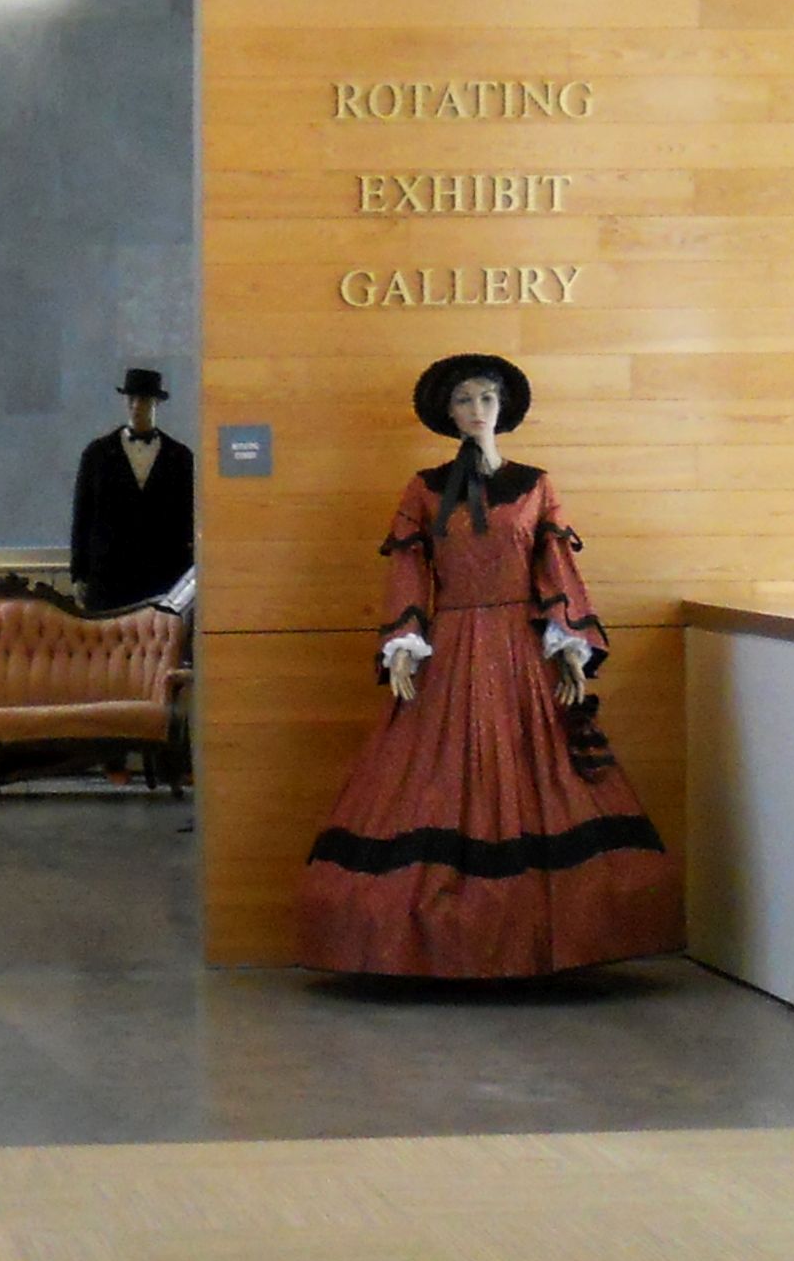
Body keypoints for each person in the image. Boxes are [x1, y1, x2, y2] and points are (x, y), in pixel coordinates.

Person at [293, 352, 684, 977]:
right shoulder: (423, 489)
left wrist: (568, 645)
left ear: (502, 409)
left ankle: (549, 941)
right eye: (465, 401)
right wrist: (402, 644)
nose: (477, 411)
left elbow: (554, 568)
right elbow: (408, 571)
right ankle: (432, 943)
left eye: (486, 400)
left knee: (537, 775)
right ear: (447, 414)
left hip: (520, 651)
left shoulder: (535, 485)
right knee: (432, 777)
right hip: (448, 652)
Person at [67, 363, 195, 613]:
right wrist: (78, 573)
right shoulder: (98, 454)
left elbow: (188, 518)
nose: (137, 406)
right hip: (108, 576)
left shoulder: (179, 457)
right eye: (132, 399)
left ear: (156, 404)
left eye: (144, 400)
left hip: (163, 574)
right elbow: (82, 516)